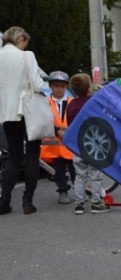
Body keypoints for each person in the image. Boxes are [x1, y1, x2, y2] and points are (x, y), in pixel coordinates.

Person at [0, 27, 49, 215]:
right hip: (29, 111)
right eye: (24, 42)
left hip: (8, 112)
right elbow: (37, 84)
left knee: (13, 156)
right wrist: (46, 88)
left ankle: (4, 202)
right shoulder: (27, 56)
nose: (24, 46)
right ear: (20, 38)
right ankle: (27, 202)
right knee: (32, 155)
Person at [65, 73, 110, 215]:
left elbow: (69, 124)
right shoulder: (94, 102)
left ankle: (79, 204)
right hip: (95, 144)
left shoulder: (71, 105)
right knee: (95, 175)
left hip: (78, 145)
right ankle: (96, 204)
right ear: (89, 88)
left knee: (80, 175)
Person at [40, 71, 76, 204]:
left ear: (66, 87)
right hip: (54, 146)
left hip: (71, 145)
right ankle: (62, 191)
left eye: (62, 86)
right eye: (56, 86)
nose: (59, 89)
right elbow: (43, 121)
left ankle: (80, 191)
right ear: (50, 86)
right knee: (59, 172)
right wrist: (57, 131)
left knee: (76, 171)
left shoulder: (73, 102)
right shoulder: (45, 103)